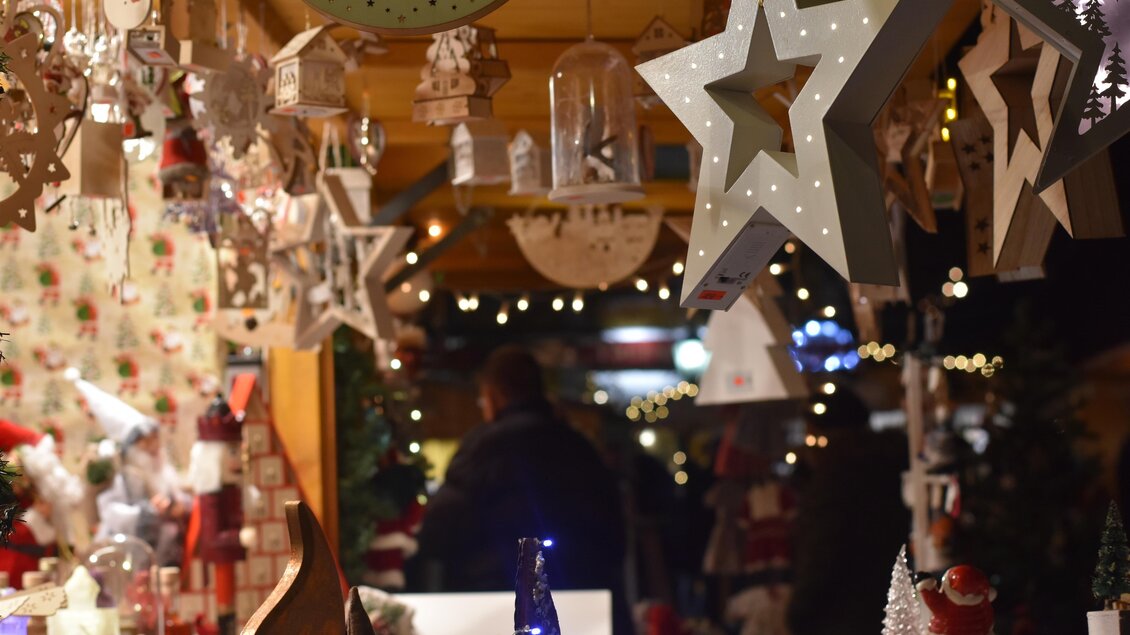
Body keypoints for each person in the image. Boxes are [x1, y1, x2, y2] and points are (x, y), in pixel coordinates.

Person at [412, 346, 630, 631]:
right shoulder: (577, 447)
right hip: (578, 603)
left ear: (494, 395)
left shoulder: (483, 447)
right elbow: (614, 538)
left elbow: (439, 532)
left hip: (494, 603)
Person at [66, 368, 191, 567]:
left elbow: (177, 496)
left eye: (155, 440)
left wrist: (178, 505)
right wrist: (148, 512)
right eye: (146, 442)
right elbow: (112, 512)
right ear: (133, 447)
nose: (154, 447)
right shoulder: (123, 475)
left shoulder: (161, 469)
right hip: (129, 552)